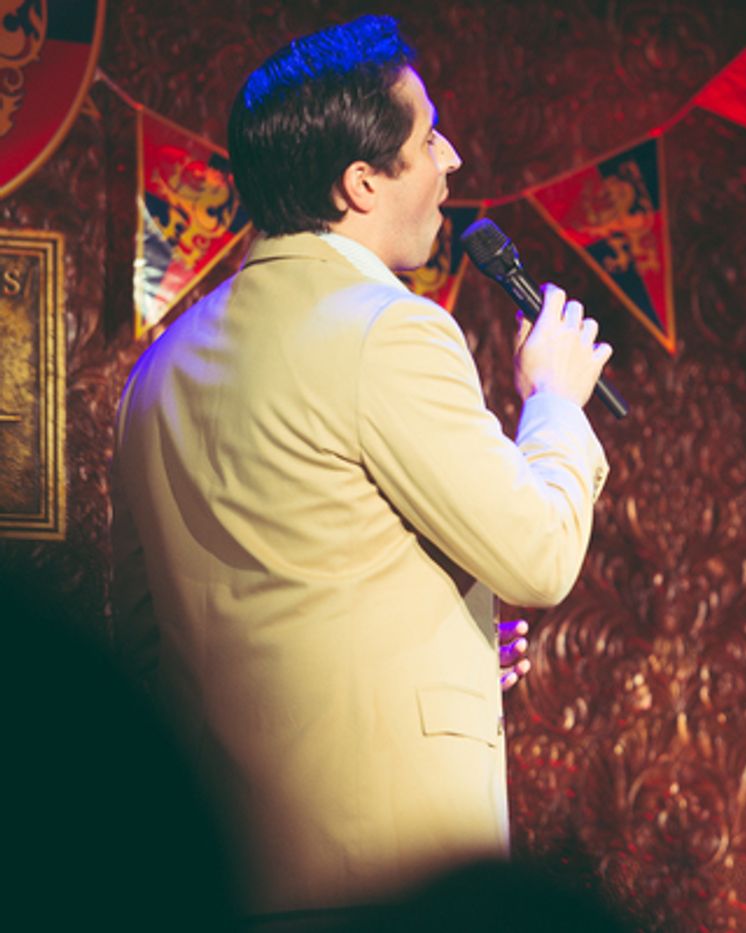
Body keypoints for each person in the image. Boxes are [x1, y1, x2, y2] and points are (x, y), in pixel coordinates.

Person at [111, 14, 611, 924]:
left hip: (224, 862)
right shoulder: (393, 327)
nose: (452, 158)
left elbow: (154, 638)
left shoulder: (162, 366)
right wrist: (553, 405)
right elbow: (540, 556)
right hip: (385, 867)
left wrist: (444, 634)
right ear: (363, 181)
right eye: (428, 138)